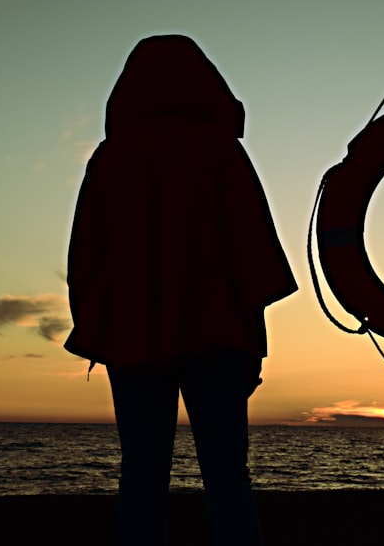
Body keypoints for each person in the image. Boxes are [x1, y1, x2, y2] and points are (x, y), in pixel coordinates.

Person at [65, 34, 297, 546]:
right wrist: (253, 348)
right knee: (228, 476)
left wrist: (96, 329)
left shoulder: (110, 158)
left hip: (131, 340)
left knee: (141, 475)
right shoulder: (222, 153)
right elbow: (251, 257)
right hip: (218, 338)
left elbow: (85, 259)